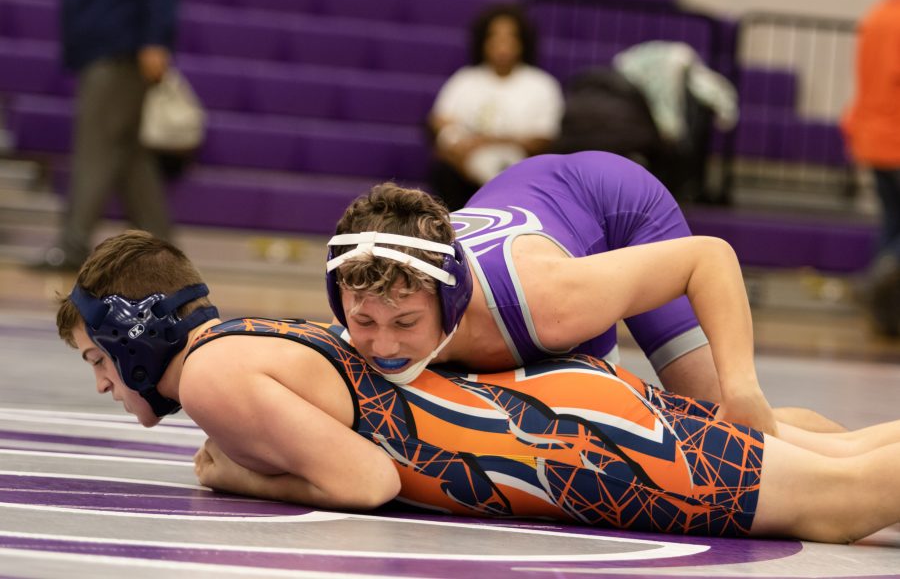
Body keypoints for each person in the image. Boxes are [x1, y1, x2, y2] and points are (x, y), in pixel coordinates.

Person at [58, 230, 900, 543]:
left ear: (137, 337)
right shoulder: (246, 339)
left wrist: (234, 472)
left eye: (98, 359)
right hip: (558, 411)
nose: (102, 383)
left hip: (579, 449)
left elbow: (367, 480)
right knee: (841, 451)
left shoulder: (212, 375)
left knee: (844, 500)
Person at [327, 151, 843, 434]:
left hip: (614, 208)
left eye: (406, 324)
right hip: (526, 200)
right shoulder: (371, 303)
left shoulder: (549, 304)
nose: (384, 348)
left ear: (451, 302)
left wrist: (742, 385)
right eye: (365, 323)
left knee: (718, 421)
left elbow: (709, 258)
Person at [33, 0, 182, 271]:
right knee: (128, 154)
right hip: (103, 45)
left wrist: (155, 39)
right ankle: (162, 249)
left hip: (120, 48)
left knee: (96, 149)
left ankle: (73, 245)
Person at [427, 3, 564, 211]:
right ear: (483, 41)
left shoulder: (542, 85)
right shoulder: (465, 80)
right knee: (443, 170)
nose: (502, 45)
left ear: (522, 42)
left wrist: (485, 142)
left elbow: (543, 140)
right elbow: (440, 121)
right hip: (464, 174)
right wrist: (459, 154)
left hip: (518, 174)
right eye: (494, 37)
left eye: (510, 38)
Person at [841, 0, 900, 337]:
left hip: (872, 135)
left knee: (892, 223)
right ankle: (875, 286)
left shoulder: (877, 14)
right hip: (895, 136)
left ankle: (885, 309)